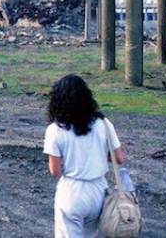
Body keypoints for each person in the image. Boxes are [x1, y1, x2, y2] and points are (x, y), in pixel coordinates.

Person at [43, 74, 125, 238]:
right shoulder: (103, 123)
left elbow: (55, 171)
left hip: (72, 193)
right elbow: (119, 158)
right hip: (99, 191)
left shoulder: (55, 130)